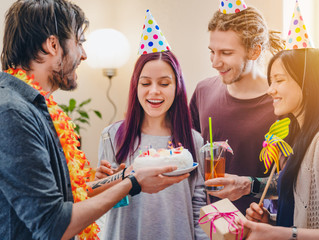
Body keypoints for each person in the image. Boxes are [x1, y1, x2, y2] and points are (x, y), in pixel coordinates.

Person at [0, 1, 189, 239]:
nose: (84, 55)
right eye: (79, 43)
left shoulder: (36, 106)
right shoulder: (12, 112)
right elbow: (53, 224)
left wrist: (125, 175)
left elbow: (70, 196)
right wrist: (134, 183)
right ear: (52, 45)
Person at [243, 48, 319, 239]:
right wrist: (271, 223)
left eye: (279, 80)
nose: (270, 90)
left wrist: (280, 234)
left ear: (308, 84)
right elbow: (298, 219)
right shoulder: (297, 137)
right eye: (271, 82)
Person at [95, 49, 208, 240]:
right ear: (135, 86)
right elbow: (101, 200)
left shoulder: (194, 140)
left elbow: (198, 206)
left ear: (177, 87)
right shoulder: (112, 136)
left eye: (164, 83)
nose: (154, 90)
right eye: (145, 83)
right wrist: (112, 182)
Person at [189, 3, 284, 214]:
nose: (215, 62)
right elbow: (191, 163)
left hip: (262, 230)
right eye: (212, 52)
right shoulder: (203, 91)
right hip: (209, 229)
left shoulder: (281, 103)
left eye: (226, 53)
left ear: (254, 50)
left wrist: (248, 185)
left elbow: (295, 183)